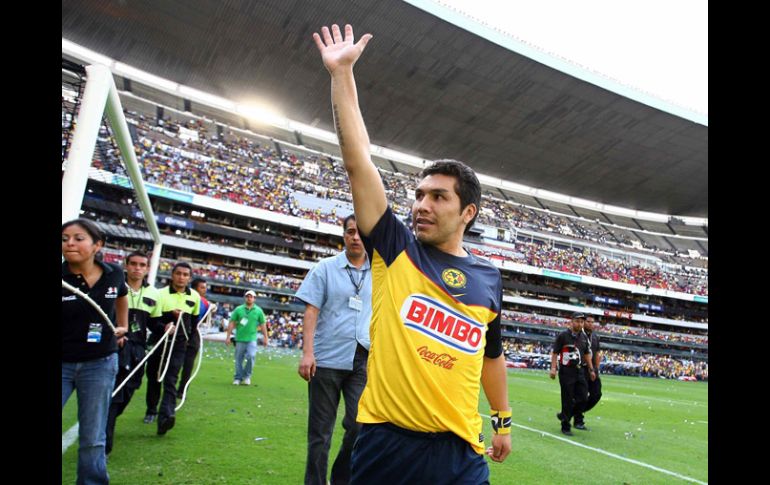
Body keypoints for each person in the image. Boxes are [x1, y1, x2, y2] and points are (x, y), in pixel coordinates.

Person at [312, 24, 511, 484]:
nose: (422, 204)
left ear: (467, 212)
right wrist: (341, 74)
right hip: (387, 445)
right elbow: (357, 159)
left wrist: (502, 419)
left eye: (438, 197)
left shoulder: (489, 279)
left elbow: (491, 356)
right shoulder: (394, 249)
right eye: (419, 194)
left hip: (462, 451)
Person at [295, 214, 372, 485]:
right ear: (343, 235)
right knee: (320, 433)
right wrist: (307, 352)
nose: (355, 237)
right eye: (350, 231)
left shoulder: (379, 272)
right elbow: (311, 310)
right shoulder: (325, 268)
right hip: (326, 358)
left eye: (360, 232)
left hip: (361, 359)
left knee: (359, 425)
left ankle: (341, 479)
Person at [62, 218, 128, 484]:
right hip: (61, 361)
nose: (70, 243)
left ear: (97, 245)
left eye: (78, 238)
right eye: (65, 238)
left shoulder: (113, 273)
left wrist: (122, 325)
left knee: (93, 435)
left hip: (100, 362)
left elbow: (121, 296)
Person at [106, 251, 163, 456]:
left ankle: (107, 421)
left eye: (142, 265)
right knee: (115, 392)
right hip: (117, 345)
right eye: (134, 264)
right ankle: (105, 441)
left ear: (147, 268)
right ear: (126, 265)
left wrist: (165, 328)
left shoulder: (154, 294)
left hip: (139, 349)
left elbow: (154, 323)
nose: (137, 268)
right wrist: (114, 334)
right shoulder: (114, 288)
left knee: (130, 388)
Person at [143, 262, 200, 435]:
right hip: (160, 342)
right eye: (178, 273)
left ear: (189, 278)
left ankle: (166, 417)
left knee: (171, 378)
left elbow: (194, 322)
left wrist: (187, 339)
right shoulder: (159, 294)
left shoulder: (194, 297)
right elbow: (151, 321)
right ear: (172, 275)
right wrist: (164, 326)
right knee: (154, 376)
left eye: (185, 274)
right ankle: (151, 410)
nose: (181, 277)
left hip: (179, 345)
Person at [549, 312, 596, 436]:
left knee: (583, 398)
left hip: (579, 370)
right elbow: (555, 353)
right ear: (572, 321)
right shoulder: (563, 335)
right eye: (577, 321)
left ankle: (565, 415)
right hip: (566, 371)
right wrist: (553, 368)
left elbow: (586, 354)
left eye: (582, 322)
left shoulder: (583, 337)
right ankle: (565, 426)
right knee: (567, 399)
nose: (580, 324)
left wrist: (591, 369)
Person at [225, 290, 267, 385]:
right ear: (245, 298)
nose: (249, 298)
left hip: (252, 338)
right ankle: (238, 378)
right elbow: (231, 323)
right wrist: (228, 336)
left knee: (251, 356)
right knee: (239, 359)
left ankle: (247, 376)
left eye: (251, 296)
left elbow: (263, 324)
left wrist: (266, 337)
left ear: (254, 299)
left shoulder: (259, 311)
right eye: (247, 296)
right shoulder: (238, 309)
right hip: (239, 338)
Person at [177, 277, 210, 396]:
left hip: (190, 332)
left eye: (205, 288)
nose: (204, 290)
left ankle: (180, 389)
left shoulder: (204, 302)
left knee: (185, 364)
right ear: (195, 288)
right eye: (202, 287)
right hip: (188, 332)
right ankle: (182, 390)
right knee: (186, 364)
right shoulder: (203, 302)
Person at [573, 315, 602, 429]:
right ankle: (578, 420)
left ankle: (573, 411)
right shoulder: (578, 335)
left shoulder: (595, 337)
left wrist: (596, 368)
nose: (591, 324)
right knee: (582, 396)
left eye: (592, 322)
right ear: (584, 323)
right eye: (588, 322)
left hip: (593, 369)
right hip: (582, 369)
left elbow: (597, 353)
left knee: (596, 394)